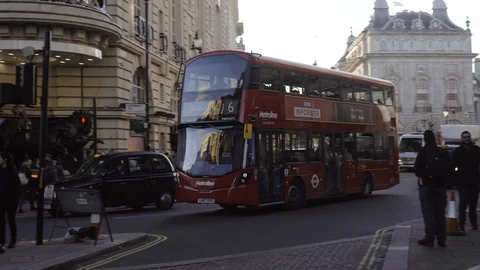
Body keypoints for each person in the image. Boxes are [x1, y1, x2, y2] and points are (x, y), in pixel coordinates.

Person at [414, 130, 451, 247]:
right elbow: (450, 167)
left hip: (427, 187)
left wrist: (426, 175)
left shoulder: (423, 151)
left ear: (425, 139)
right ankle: (441, 238)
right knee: (440, 213)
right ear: (434, 139)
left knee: (428, 213)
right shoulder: (442, 151)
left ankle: (429, 237)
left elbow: (417, 169)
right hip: (440, 187)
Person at [451, 130, 480, 232]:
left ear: (470, 138)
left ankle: (474, 224)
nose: (467, 139)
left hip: (474, 181)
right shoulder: (458, 151)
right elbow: (453, 166)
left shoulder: (476, 150)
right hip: (462, 181)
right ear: (462, 139)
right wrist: (455, 179)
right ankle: (462, 224)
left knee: (473, 204)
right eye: (464, 137)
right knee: (463, 203)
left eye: (468, 137)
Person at [0, 151, 21, 253]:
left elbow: (17, 186)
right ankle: (1, 242)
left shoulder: (12, 171)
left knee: (11, 220)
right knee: (1, 221)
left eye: (0, 158)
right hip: (1, 200)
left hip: (11, 200)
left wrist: (14, 197)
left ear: (5, 159)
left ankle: (13, 240)